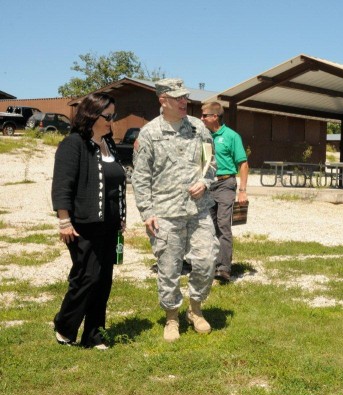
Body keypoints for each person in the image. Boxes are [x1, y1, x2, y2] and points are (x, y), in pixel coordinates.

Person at [132, 78, 219, 342]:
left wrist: (204, 182)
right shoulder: (149, 133)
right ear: (163, 100)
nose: (185, 102)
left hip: (199, 210)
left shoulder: (198, 129)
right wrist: (147, 213)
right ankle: (171, 318)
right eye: (178, 98)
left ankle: (195, 309)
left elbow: (210, 162)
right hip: (165, 213)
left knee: (207, 259)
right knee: (169, 268)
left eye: (185, 97)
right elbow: (140, 176)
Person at [51, 92, 126, 350]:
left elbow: (117, 186)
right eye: (108, 116)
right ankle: (64, 325)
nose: (111, 121)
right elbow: (63, 185)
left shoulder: (109, 144)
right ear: (92, 115)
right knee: (87, 277)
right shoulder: (73, 144)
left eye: (113, 115)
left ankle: (94, 335)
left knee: (104, 280)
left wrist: (121, 217)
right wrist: (64, 220)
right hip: (84, 224)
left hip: (109, 225)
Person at [200, 102, 249, 282]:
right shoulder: (203, 136)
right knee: (208, 226)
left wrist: (242, 191)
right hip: (207, 185)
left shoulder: (231, 136)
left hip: (226, 183)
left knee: (223, 224)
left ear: (215, 117)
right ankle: (211, 265)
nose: (201, 118)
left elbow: (243, 164)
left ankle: (224, 268)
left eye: (204, 115)